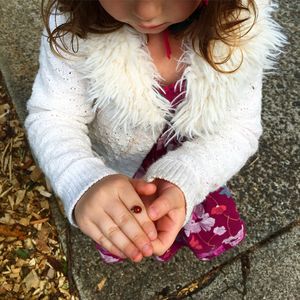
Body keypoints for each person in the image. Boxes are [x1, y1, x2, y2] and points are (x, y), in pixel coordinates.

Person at [24, 0, 287, 264]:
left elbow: (239, 128)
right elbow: (54, 115)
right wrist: (81, 177)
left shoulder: (241, 30)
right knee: (128, 229)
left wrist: (188, 177)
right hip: (118, 168)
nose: (146, 11)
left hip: (199, 164)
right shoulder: (73, 26)